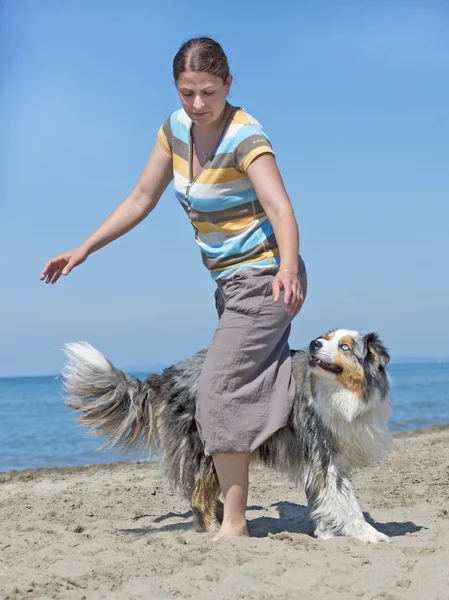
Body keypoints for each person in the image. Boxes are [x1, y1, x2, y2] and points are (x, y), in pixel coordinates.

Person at [40, 37, 307, 540]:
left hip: (267, 279)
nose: (199, 104)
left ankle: (234, 524)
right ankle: (311, 453)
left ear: (228, 84)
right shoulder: (174, 131)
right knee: (242, 384)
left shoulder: (246, 137)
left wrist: (288, 269)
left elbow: (281, 208)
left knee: (217, 389)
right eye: (188, 93)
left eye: (208, 92)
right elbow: (141, 197)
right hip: (229, 286)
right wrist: (84, 248)